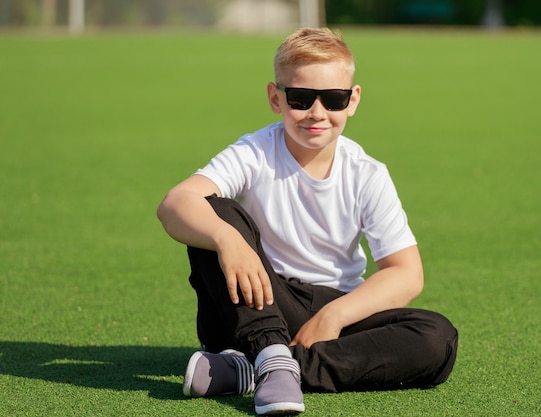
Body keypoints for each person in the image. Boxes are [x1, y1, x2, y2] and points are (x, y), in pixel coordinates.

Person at [157, 27, 458, 415]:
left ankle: (257, 369)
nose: (317, 113)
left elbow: (406, 273)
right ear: (275, 97)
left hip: (337, 307)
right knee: (214, 210)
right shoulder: (255, 153)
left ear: (353, 100)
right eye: (300, 99)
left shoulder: (366, 173)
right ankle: (270, 354)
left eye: (333, 99)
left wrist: (334, 316)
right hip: (255, 303)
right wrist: (227, 240)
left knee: (436, 337)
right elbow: (175, 202)